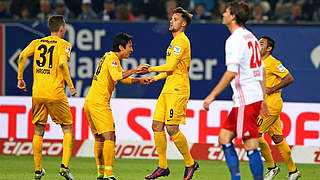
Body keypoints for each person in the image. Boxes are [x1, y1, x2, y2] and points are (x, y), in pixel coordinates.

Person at [203, 1, 269, 180]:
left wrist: (212, 95)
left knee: (251, 145)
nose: (222, 14)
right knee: (224, 138)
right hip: (251, 96)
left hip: (245, 99)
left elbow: (231, 72)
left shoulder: (234, 40)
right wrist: (263, 97)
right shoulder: (251, 37)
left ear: (232, 16)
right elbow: (261, 69)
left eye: (226, 12)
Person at [17, 15, 77, 180]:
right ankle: (64, 167)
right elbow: (62, 64)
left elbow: (22, 56)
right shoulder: (64, 44)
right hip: (55, 93)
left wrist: (20, 78)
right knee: (67, 128)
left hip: (37, 93)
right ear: (62, 28)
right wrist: (71, 86)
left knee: (38, 130)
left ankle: (37, 170)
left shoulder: (37, 42)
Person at [84, 32, 149, 180]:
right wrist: (136, 70)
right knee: (110, 136)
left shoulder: (110, 57)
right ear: (121, 47)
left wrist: (138, 80)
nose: (131, 50)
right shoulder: (113, 59)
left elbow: (121, 79)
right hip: (99, 103)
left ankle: (101, 174)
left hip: (90, 102)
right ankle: (109, 175)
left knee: (100, 138)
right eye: (129, 47)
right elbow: (117, 77)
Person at [143, 7, 199, 180]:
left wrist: (149, 68)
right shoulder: (174, 42)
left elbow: (171, 67)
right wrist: (155, 78)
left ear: (183, 24)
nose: (171, 21)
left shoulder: (181, 41)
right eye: (172, 18)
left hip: (178, 89)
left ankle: (190, 163)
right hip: (168, 87)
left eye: (175, 19)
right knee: (156, 125)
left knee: (171, 128)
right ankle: (163, 167)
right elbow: (169, 70)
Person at [258, 36, 301, 180]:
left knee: (253, 135)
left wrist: (273, 88)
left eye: (261, 43)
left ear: (269, 48)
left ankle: (272, 167)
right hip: (263, 104)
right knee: (277, 138)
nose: (258, 45)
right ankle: (293, 171)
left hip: (271, 105)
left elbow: (289, 78)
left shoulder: (274, 63)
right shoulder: (257, 63)